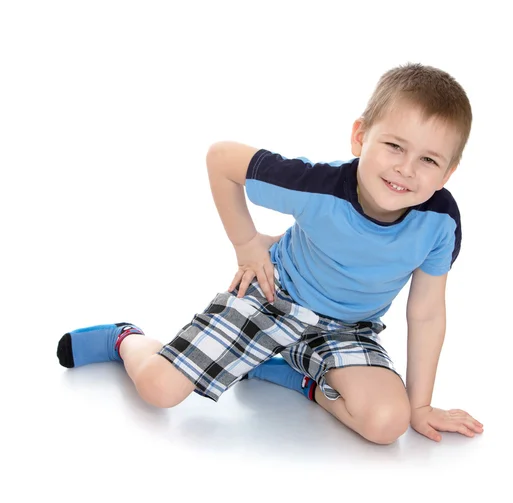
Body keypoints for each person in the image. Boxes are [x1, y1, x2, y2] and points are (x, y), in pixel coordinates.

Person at [57, 62, 483, 445]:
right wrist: (247, 245)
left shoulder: (439, 222)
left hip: (349, 329)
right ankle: (125, 339)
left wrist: (421, 406)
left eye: (428, 159)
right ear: (360, 137)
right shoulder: (317, 187)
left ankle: (299, 380)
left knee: (389, 422)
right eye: (394, 146)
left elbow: (426, 312)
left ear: (448, 173)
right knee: (159, 391)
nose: (406, 169)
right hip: (272, 297)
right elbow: (222, 159)